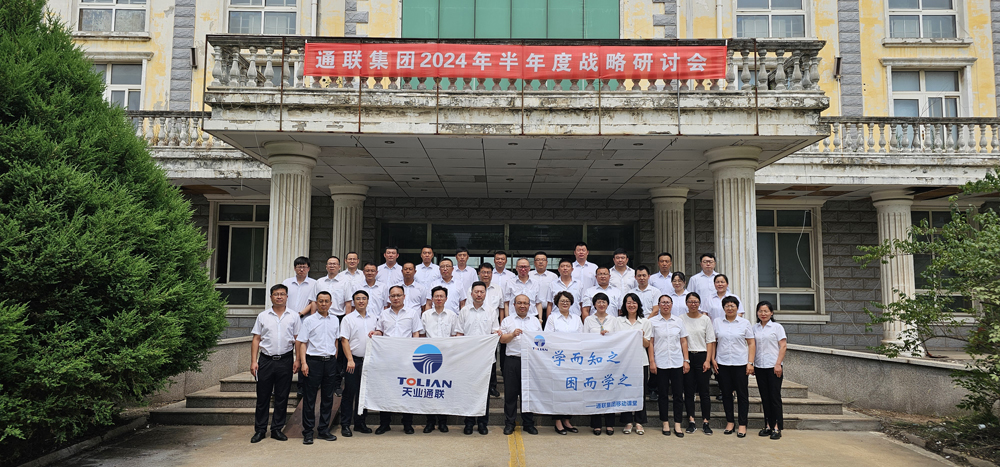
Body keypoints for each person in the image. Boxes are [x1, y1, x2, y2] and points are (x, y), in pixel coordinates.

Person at [249, 284, 300, 443]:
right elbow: (256, 339)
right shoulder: (263, 316)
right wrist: (253, 361)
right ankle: (260, 430)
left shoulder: (293, 316)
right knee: (262, 397)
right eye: (276, 294)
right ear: (271, 297)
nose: (279, 297)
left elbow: (298, 339)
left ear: (286, 297)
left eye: (282, 294)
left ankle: (277, 429)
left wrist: (298, 359)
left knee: (282, 396)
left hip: (285, 360)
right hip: (266, 360)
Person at [372, 285, 423, 435]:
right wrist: (375, 333)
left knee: (407, 390)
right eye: (393, 296)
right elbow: (380, 331)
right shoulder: (384, 314)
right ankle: (384, 423)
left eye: (398, 295)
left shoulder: (412, 313)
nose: (396, 298)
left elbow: (416, 334)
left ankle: (407, 423)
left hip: (406, 358)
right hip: (387, 357)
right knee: (386, 390)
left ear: (404, 297)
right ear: (389, 298)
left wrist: (414, 356)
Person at [456, 281, 502, 435]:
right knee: (468, 391)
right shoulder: (464, 311)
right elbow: (459, 333)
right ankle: (468, 423)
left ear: (485, 294)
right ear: (471, 294)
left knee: (484, 393)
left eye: (482, 292)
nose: (479, 294)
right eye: (476, 292)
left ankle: (483, 423)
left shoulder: (491, 311)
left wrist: (497, 333)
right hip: (468, 359)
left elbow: (495, 331)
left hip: (485, 359)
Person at [296, 291, 340, 444]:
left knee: (328, 398)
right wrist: (303, 363)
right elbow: (302, 343)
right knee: (310, 398)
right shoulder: (309, 320)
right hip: (313, 362)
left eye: (326, 301)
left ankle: (323, 430)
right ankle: (308, 432)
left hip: (330, 362)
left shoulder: (335, 320)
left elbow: (336, 341)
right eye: (320, 301)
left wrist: (334, 359)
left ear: (331, 303)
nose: (323, 304)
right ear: (316, 303)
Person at [712, 296, 755, 438]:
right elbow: (713, 342)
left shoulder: (744, 323)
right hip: (723, 363)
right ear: (723, 308)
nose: (730, 308)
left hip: (740, 363)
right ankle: (730, 421)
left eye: (732, 306)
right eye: (727, 306)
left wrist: (750, 363)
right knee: (726, 394)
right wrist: (712, 359)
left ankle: (742, 424)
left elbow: (751, 343)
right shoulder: (717, 322)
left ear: (737, 308)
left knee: (742, 395)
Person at [648, 294, 690, 438]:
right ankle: (665, 422)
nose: (665, 305)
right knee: (663, 394)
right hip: (661, 362)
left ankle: (677, 424)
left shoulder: (678, 321)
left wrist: (686, 360)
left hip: (677, 361)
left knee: (678, 394)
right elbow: (651, 343)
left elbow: (683, 341)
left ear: (672, 304)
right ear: (659, 305)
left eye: (668, 303)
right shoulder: (653, 322)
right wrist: (652, 361)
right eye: (663, 303)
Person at [499, 294, 542, 436]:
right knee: (510, 394)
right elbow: (501, 340)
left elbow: (541, 341)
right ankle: (509, 423)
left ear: (529, 305)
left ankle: (528, 424)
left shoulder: (535, 321)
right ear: (514, 305)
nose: (522, 306)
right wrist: (512, 335)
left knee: (528, 393)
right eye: (519, 303)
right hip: (512, 360)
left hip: (530, 361)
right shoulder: (507, 320)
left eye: (525, 303)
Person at [420, 286, 459, 433]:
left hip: (447, 356)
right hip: (429, 356)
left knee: (444, 389)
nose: (439, 299)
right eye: (436, 296)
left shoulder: (452, 315)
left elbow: (454, 336)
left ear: (446, 299)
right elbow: (422, 335)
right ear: (432, 299)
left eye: (441, 296)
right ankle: (430, 422)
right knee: (429, 389)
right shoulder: (426, 315)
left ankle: (443, 421)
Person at [338, 290, 377, 437]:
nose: (361, 301)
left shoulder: (374, 318)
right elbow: (344, 340)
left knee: (364, 393)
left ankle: (360, 423)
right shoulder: (348, 319)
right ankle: (345, 424)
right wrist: (350, 359)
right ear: (353, 301)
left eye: (364, 298)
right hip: (353, 361)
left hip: (369, 360)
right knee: (349, 393)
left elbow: (379, 334)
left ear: (368, 301)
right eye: (358, 299)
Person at [542, 291, 581, 435]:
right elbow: (548, 337)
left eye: (567, 301)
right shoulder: (552, 318)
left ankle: (567, 420)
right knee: (558, 389)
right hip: (557, 358)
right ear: (557, 303)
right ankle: (558, 421)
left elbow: (581, 337)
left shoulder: (576, 318)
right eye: (562, 301)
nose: (565, 303)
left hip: (573, 359)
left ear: (571, 303)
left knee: (570, 389)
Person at [584, 292, 619, 436]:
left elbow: (618, 338)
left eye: (604, 302)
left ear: (608, 304)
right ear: (594, 305)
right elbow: (584, 339)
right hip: (594, 359)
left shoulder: (613, 320)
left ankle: (610, 424)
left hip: (609, 359)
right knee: (595, 390)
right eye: (598, 302)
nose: (601, 304)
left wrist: (609, 336)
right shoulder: (588, 320)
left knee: (609, 389)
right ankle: (596, 424)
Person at [681, 292, 716, 435]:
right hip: (687, 356)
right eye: (690, 301)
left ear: (699, 303)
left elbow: (710, 341)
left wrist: (708, 360)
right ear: (686, 303)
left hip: (702, 357)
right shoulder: (681, 319)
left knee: (704, 392)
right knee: (689, 391)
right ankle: (691, 421)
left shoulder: (705, 319)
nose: (693, 304)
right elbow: (681, 340)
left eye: (695, 301)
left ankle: (706, 422)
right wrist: (685, 360)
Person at [617, 293, 652, 435]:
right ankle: (627, 421)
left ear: (638, 305)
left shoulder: (645, 322)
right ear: (624, 305)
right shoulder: (618, 321)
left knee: (640, 391)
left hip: (641, 361)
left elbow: (647, 344)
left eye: (634, 302)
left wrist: (640, 336)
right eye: (628, 302)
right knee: (625, 390)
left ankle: (639, 422)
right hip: (624, 362)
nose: (631, 305)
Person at [753, 300, 787, 440]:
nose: (763, 313)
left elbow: (783, 346)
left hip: (774, 366)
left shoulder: (777, 327)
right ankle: (768, 425)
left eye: (766, 311)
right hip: (759, 366)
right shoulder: (755, 328)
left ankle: (777, 427)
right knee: (765, 397)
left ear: (771, 313)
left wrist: (778, 364)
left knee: (774, 397)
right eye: (760, 311)